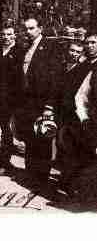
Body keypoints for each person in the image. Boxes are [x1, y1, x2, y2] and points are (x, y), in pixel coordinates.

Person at [15, 17, 62, 191]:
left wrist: (49, 105)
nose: (28, 32)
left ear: (40, 29)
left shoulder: (51, 48)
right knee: (29, 138)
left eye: (31, 28)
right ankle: (31, 176)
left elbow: (56, 78)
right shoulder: (24, 48)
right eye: (25, 29)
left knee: (42, 140)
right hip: (26, 103)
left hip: (42, 103)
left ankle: (41, 179)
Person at [57, 34, 97, 196]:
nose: (90, 46)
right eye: (88, 43)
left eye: (94, 43)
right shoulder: (82, 66)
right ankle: (72, 186)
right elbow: (78, 96)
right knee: (77, 153)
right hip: (82, 118)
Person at [0, 22, 23, 176]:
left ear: (15, 35)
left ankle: (4, 162)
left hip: (10, 97)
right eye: (3, 34)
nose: (6, 37)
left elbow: (21, 77)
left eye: (9, 34)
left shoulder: (20, 51)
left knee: (6, 131)